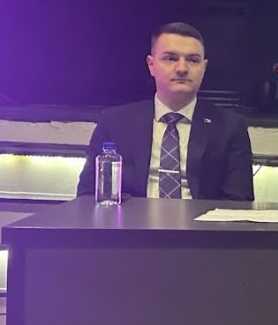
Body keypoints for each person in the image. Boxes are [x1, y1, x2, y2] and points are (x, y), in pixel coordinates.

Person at [76, 22, 254, 201]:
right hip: (133, 217)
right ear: (151, 65)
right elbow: (87, 195)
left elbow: (239, 202)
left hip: (202, 218)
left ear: (204, 68)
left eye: (193, 60)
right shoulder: (115, 122)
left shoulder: (230, 127)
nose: (182, 69)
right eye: (170, 58)